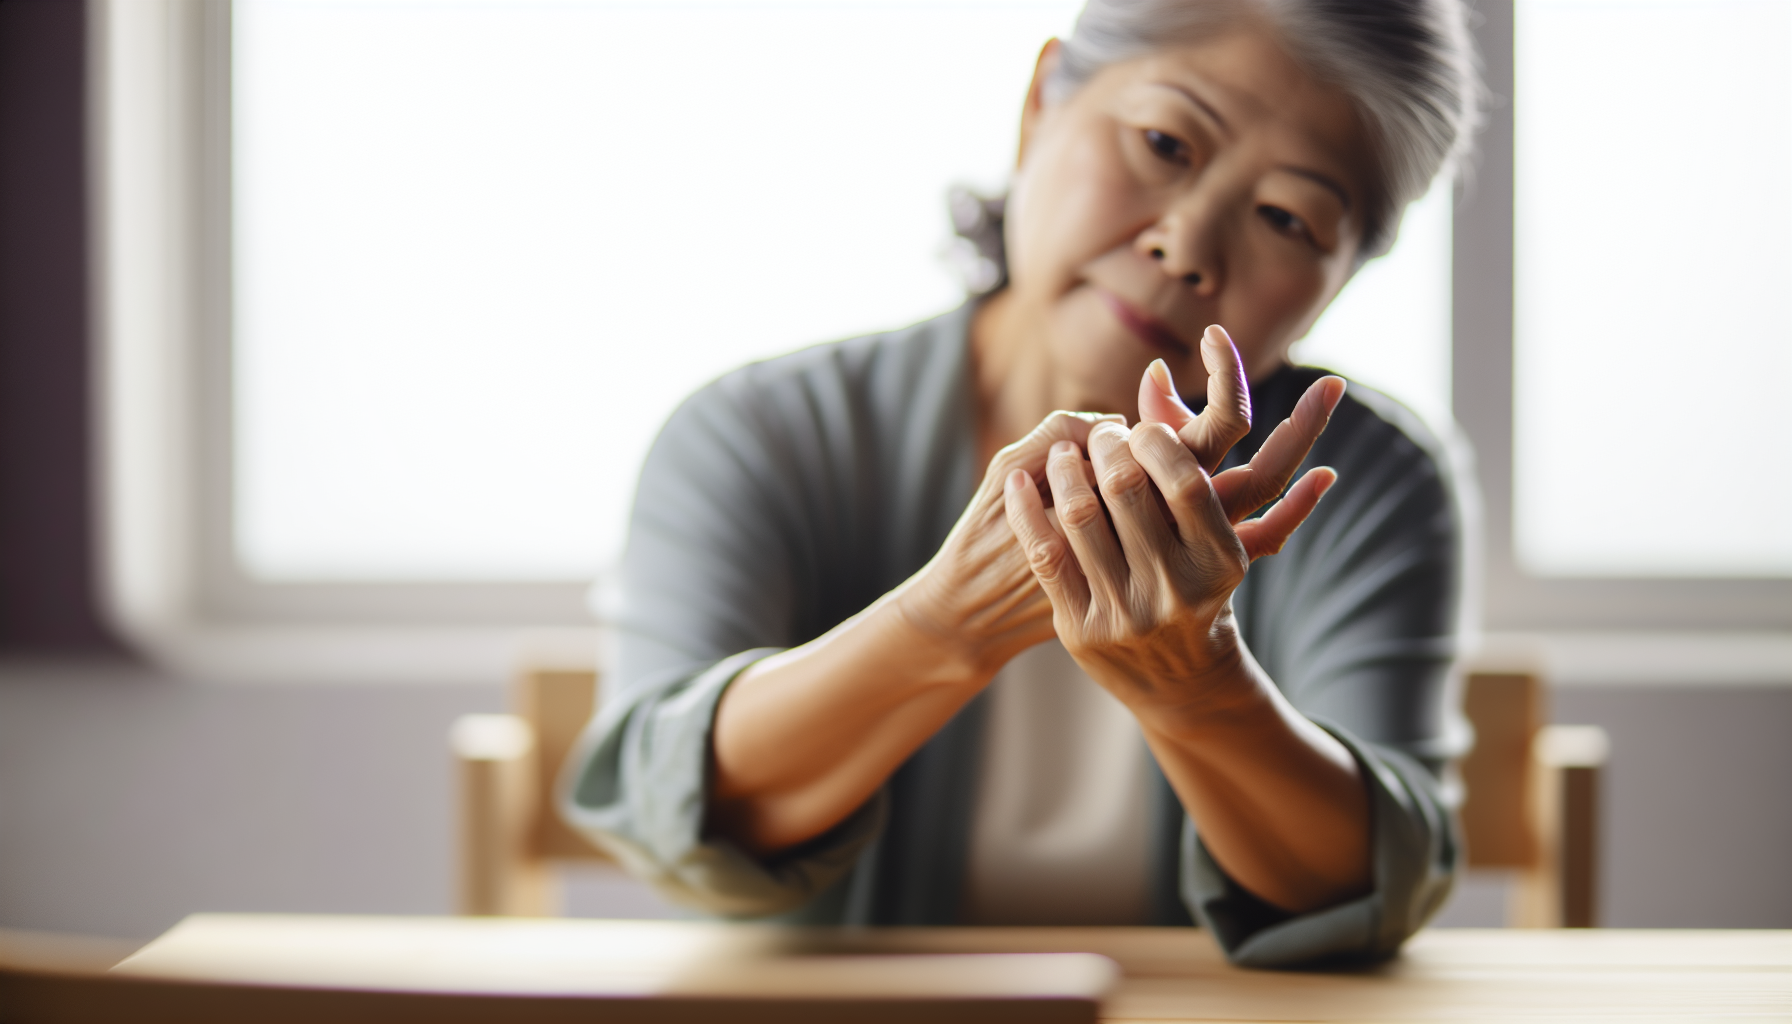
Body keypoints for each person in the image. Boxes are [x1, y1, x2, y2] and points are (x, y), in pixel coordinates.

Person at [561, 0, 1481, 968]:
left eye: (1287, 218)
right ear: (1041, 102)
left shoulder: (1368, 485)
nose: (1187, 246)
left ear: (1339, 275)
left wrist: (1199, 688)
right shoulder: (760, 436)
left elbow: (1371, 885)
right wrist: (943, 625)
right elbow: (673, 815)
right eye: (1165, 142)